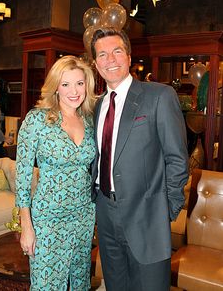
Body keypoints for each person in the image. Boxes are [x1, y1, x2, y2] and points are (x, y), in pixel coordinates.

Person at [90, 27, 189, 291]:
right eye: (102, 54)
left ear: (130, 57)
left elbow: (178, 159)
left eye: (117, 51)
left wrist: (166, 209)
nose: (110, 59)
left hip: (148, 217)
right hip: (106, 214)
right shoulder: (97, 105)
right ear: (95, 63)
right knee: (115, 286)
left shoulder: (159, 96)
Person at [15, 55, 96, 291]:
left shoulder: (89, 120)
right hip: (48, 218)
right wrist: (26, 227)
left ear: (87, 86)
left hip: (84, 216)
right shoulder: (37, 120)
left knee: (80, 283)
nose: (74, 91)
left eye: (79, 83)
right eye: (66, 84)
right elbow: (22, 176)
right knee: (46, 285)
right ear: (56, 88)